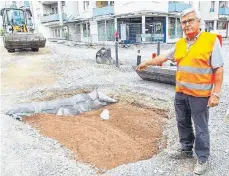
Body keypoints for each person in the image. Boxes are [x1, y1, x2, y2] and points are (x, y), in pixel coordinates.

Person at [136, 8, 224, 175]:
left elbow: (219, 69)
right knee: (182, 123)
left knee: (201, 128)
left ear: (199, 22)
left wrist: (216, 94)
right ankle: (185, 148)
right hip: (181, 93)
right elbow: (164, 57)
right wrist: (146, 63)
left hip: (200, 95)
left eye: (190, 21)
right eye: (184, 22)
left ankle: (203, 157)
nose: (187, 24)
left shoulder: (211, 41)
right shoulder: (181, 44)